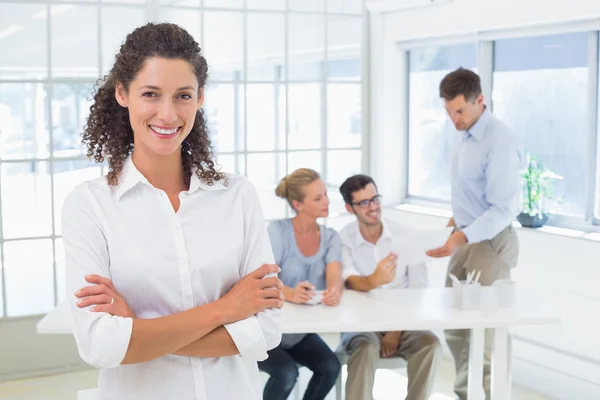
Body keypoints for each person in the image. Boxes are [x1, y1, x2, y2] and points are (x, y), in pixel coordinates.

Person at [63, 23, 283, 400]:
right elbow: (101, 345)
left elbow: (266, 330)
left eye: (183, 95)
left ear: (199, 98)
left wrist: (139, 329)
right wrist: (226, 310)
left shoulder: (238, 196)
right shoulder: (89, 206)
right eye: (151, 94)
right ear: (122, 93)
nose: (167, 114)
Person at [426, 67, 521, 399]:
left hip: (489, 243)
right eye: (449, 112)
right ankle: (467, 393)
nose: (454, 119)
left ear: (480, 100)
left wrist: (463, 235)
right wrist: (458, 220)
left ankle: (485, 395)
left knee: (485, 335)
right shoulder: (464, 132)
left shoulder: (500, 140)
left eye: (460, 111)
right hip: (464, 237)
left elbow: (503, 208)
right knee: (454, 326)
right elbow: (471, 187)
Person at [337, 174, 442, 400]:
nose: (373, 207)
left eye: (375, 199)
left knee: (430, 345)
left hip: (403, 324)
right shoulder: (343, 239)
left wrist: (396, 329)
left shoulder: (405, 235)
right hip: (361, 325)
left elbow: (418, 292)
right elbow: (350, 281)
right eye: (364, 203)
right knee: (364, 348)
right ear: (349, 207)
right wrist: (375, 280)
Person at [257, 168, 343, 400]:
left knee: (330, 367)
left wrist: (334, 290)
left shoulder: (331, 237)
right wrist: (290, 293)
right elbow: (262, 279)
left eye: (325, 194)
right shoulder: (277, 232)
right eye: (318, 198)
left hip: (298, 333)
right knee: (286, 373)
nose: (327, 201)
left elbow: (335, 272)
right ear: (297, 204)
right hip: (267, 330)